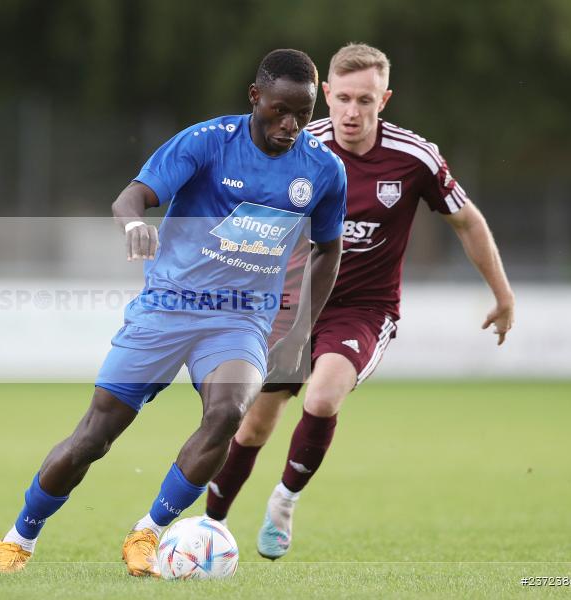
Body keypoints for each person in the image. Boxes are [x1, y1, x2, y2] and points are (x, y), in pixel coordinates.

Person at [0, 49, 348, 576]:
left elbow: (329, 249)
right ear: (255, 97)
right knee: (93, 437)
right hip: (169, 307)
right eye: (280, 110)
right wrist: (135, 226)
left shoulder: (323, 169)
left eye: (302, 113)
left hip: (239, 318)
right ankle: (20, 536)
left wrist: (298, 332)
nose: (290, 125)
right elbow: (130, 199)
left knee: (228, 412)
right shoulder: (206, 142)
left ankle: (148, 533)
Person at [204, 43, 516, 560]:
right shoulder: (299, 147)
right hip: (294, 305)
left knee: (323, 397)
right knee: (253, 422)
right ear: (326, 94)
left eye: (365, 100)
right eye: (344, 98)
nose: (352, 112)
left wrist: (503, 295)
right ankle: (209, 526)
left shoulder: (415, 157)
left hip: (363, 310)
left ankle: (284, 501)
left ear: (384, 99)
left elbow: (467, 221)